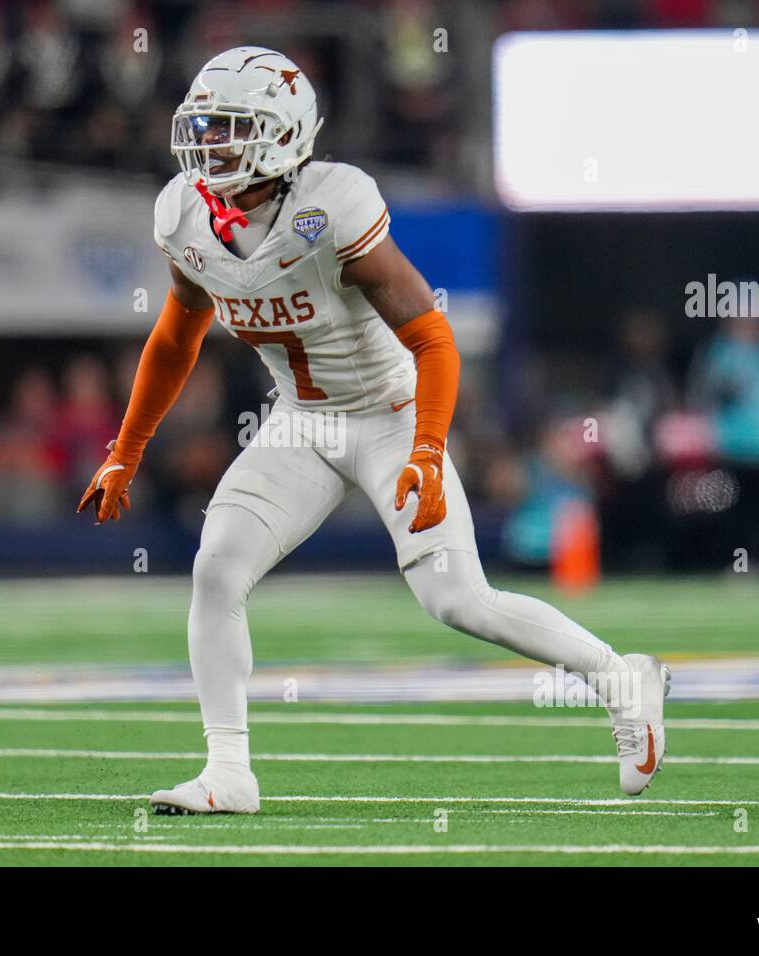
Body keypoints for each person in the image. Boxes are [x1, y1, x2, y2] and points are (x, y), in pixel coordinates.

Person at [79, 47, 669, 813]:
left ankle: (622, 676)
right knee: (217, 567)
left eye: (231, 130)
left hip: (389, 415)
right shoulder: (185, 215)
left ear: (283, 136)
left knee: (456, 600)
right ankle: (229, 771)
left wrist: (427, 448)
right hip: (301, 422)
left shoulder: (333, 207)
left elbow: (432, 338)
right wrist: (126, 451)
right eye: (206, 128)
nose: (212, 146)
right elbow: (174, 337)